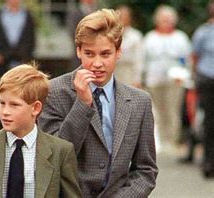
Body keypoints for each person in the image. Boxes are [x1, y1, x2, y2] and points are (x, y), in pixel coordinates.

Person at [38, 9, 158, 197]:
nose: (97, 63)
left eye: (105, 54)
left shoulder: (139, 102)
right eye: (89, 54)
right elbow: (52, 159)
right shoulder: (54, 92)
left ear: (118, 52)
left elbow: (146, 170)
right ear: (78, 51)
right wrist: (83, 103)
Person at [0, 64, 82, 198]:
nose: (5, 112)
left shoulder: (61, 151)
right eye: (2, 103)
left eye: (14, 105)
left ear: (35, 108)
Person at [143, 5, 191, 150]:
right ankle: (160, 141)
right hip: (154, 80)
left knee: (173, 110)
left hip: (174, 81)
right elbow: (144, 60)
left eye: (169, 19)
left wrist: (183, 75)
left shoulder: (180, 37)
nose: (166, 22)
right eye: (163, 19)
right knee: (157, 111)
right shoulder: (150, 37)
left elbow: (186, 59)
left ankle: (172, 140)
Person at [191, 0, 214, 178]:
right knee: (209, 121)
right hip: (208, 79)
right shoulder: (203, 32)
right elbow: (195, 56)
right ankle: (208, 161)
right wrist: (196, 77)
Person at [0, 0, 35, 74]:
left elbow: (31, 37)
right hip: (2, 58)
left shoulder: (27, 15)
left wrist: (27, 55)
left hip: (22, 57)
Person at [114, 5, 144, 87]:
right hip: (114, 71)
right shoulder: (110, 35)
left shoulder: (136, 36)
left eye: (125, 16)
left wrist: (137, 79)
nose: (122, 18)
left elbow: (139, 59)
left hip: (129, 72)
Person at [66, 0, 98, 68]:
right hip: (80, 55)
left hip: (97, 53)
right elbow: (72, 32)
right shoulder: (74, 13)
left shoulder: (99, 12)